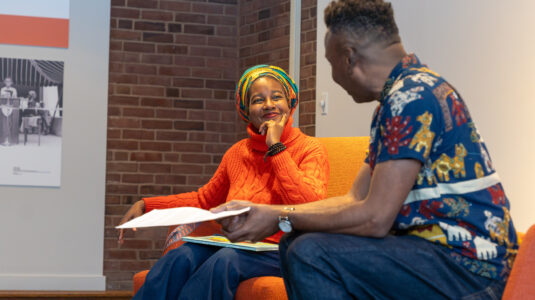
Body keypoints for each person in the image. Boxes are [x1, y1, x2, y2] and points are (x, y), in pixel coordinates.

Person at [214, 1, 518, 299]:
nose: (334, 78)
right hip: (438, 256)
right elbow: (354, 199)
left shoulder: (411, 98)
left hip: (469, 268)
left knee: (309, 253)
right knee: (295, 243)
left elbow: (375, 218)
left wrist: (279, 216)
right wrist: (270, 213)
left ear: (349, 58)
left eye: (331, 64)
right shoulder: (402, 97)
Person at [118, 65, 330, 300]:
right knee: (182, 256)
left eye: (277, 97)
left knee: (224, 260)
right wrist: (147, 205)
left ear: (290, 103)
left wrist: (276, 147)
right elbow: (203, 200)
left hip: (284, 249)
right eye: (258, 100)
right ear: (246, 110)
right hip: (238, 244)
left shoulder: (310, 149)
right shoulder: (237, 153)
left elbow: (309, 206)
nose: (269, 104)